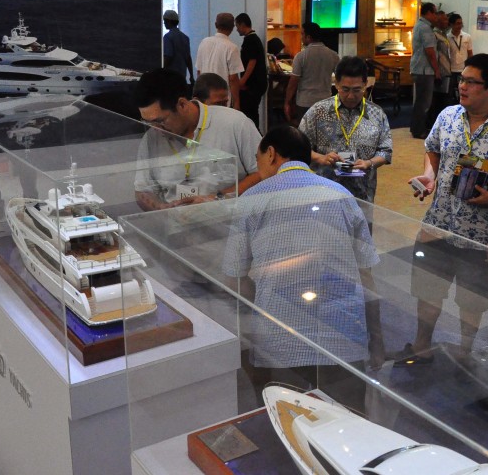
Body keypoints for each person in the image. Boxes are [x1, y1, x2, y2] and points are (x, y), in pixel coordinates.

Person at [222, 125, 384, 412]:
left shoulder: (251, 199)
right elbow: (366, 277)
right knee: (348, 421)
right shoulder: (342, 196)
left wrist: (248, 337)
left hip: (278, 338)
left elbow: (235, 280)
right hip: (342, 336)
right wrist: (377, 339)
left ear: (271, 154)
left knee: (289, 422)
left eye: (258, 159)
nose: (258, 167)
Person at [403, 53, 488, 363]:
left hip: (478, 233)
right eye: (462, 80)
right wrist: (429, 176)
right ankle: (421, 345)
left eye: (471, 82)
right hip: (438, 222)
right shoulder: (447, 116)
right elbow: (432, 149)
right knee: (428, 288)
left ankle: (464, 352)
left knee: (472, 299)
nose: (462, 86)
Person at [133, 68, 261, 211]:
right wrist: (161, 209)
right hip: (175, 221)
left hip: (227, 219)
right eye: (147, 122)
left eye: (160, 121)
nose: (155, 128)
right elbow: (142, 190)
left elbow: (262, 173)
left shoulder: (235, 123)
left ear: (182, 104)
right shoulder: (151, 138)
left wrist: (217, 198)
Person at [298, 56, 392, 203]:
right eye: (345, 89)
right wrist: (321, 158)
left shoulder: (377, 114)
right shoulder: (318, 111)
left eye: (357, 90)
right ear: (336, 84)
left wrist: (369, 163)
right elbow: (299, 148)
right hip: (324, 191)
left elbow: (385, 152)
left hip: (362, 193)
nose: (350, 96)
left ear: (366, 84)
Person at [284, 22, 339, 126]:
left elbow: (293, 83)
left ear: (308, 37)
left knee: (305, 132)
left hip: (305, 102)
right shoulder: (333, 55)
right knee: (323, 132)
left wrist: (287, 102)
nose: (301, 37)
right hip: (325, 101)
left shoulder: (301, 56)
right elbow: (340, 78)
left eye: (302, 34)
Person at [195, 12, 242, 109]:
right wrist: (237, 102)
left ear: (216, 25)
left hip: (205, 97)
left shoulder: (204, 42)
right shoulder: (232, 47)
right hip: (222, 99)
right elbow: (233, 78)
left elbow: (199, 72)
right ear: (232, 27)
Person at [409, 2, 441, 138]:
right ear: (428, 13)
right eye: (435, 13)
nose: (436, 16)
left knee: (420, 101)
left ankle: (416, 128)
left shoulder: (420, 25)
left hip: (420, 68)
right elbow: (430, 52)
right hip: (424, 70)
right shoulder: (425, 28)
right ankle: (419, 130)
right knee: (424, 103)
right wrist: (437, 70)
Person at [235, 13, 268, 127]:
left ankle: (254, 134)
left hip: (253, 86)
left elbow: (252, 62)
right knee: (252, 112)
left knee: (250, 114)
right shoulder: (253, 39)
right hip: (256, 84)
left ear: (242, 24)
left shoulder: (250, 40)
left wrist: (242, 81)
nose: (236, 29)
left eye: (237, 26)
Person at [428, 11, 452, 128]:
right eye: (445, 20)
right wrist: (437, 71)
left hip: (446, 70)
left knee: (444, 100)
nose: (447, 22)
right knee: (436, 100)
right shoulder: (434, 34)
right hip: (439, 71)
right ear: (438, 21)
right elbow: (433, 54)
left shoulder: (444, 34)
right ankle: (433, 124)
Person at [162, 10, 194, 90]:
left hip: (170, 77)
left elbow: (168, 56)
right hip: (182, 77)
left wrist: (161, 71)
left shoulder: (168, 37)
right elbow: (188, 58)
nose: (164, 23)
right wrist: (191, 76)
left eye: (165, 21)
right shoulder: (185, 38)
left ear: (169, 21)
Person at [448, 12, 472, 98]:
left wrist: (470, 67)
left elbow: (470, 53)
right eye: (457, 23)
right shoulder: (447, 37)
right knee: (450, 93)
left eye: (461, 23)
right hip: (451, 70)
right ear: (451, 24)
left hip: (463, 69)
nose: (460, 25)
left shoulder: (467, 36)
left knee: (463, 92)